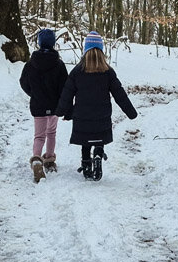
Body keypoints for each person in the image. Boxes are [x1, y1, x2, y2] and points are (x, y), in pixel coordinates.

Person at [58, 31, 137, 181]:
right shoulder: (108, 72)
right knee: (99, 139)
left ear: (85, 50)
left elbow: (67, 94)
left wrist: (61, 111)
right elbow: (120, 94)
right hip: (102, 115)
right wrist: (130, 112)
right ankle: (98, 156)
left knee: (86, 140)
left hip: (82, 115)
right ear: (101, 51)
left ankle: (86, 164)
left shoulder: (77, 72)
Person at [19, 28, 68, 182]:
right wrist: (61, 100)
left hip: (38, 105)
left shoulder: (31, 64)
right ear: (53, 43)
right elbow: (65, 85)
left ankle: (36, 160)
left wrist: (33, 94)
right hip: (54, 106)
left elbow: (23, 82)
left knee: (39, 136)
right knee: (51, 133)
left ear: (39, 43)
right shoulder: (59, 64)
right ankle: (49, 160)